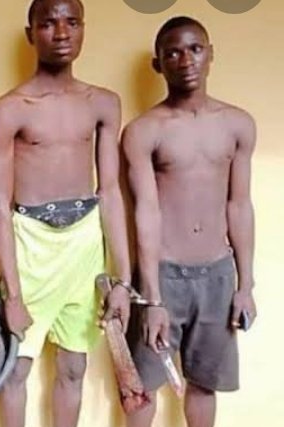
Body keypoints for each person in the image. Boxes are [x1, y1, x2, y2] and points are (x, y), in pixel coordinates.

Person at [0, 1, 132, 426]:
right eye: (49, 23)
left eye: (72, 22)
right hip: (31, 245)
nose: (62, 33)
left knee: (73, 367)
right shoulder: (11, 108)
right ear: (31, 34)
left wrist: (122, 281)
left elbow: (110, 193)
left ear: (84, 28)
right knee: (15, 369)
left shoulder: (103, 103)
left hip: (84, 244)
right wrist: (13, 295)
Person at [123, 16, 257, 427]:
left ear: (210, 54)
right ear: (158, 64)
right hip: (164, 274)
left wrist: (245, 286)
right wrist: (152, 299)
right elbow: (145, 211)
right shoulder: (143, 131)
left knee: (203, 385)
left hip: (217, 274)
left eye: (195, 49)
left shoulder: (238, 124)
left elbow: (240, 205)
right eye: (173, 53)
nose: (186, 61)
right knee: (141, 388)